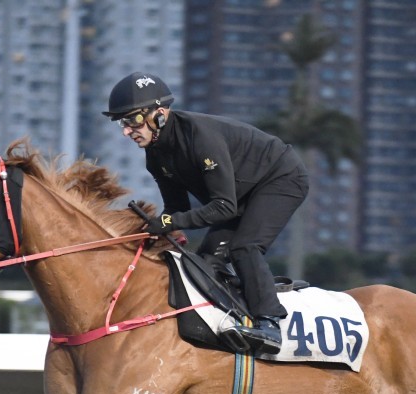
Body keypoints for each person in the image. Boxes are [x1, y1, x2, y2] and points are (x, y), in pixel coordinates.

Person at [104, 71, 309, 355]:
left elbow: (223, 207)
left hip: (281, 177)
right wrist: (158, 229)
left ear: (160, 114)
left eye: (133, 120)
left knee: (244, 247)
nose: (127, 131)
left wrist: (170, 221)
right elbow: (177, 210)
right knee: (206, 263)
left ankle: (270, 324)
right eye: (123, 123)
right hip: (240, 194)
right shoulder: (155, 156)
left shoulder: (201, 139)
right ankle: (237, 312)